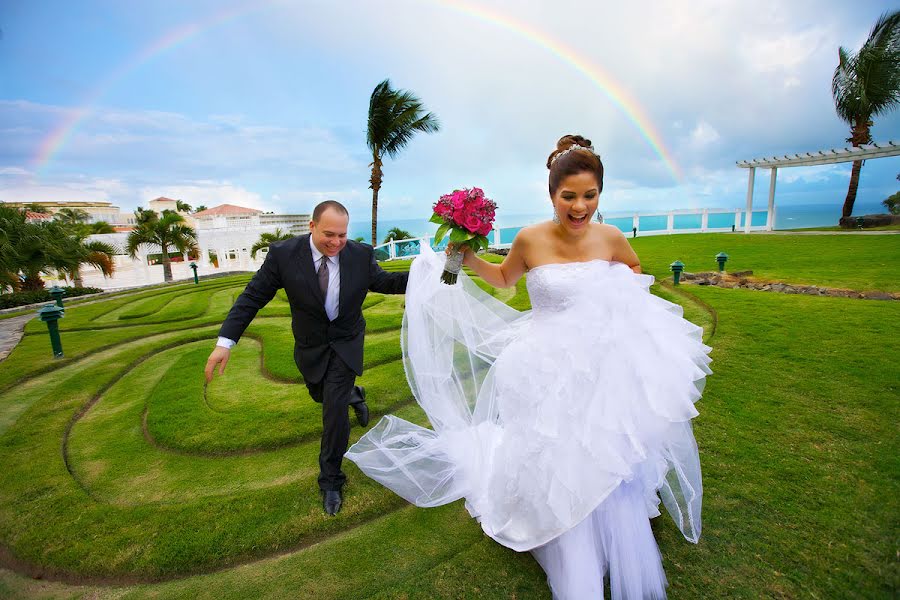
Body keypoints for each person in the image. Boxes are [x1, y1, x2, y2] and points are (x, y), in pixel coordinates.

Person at [345, 135, 712, 598]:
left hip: (601, 364)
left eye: (590, 195)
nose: (580, 207)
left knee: (603, 445)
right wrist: (466, 255)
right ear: (552, 194)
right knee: (556, 448)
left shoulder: (612, 237)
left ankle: (610, 526)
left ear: (600, 192)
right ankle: (561, 529)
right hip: (544, 365)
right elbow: (505, 280)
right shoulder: (530, 239)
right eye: (569, 197)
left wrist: (615, 313)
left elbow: (633, 274)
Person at [205, 200, 408, 516]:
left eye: (342, 235)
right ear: (312, 226)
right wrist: (225, 342)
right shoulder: (284, 255)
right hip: (311, 346)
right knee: (321, 396)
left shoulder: (360, 255)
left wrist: (437, 270)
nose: (337, 242)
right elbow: (252, 298)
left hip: (346, 342)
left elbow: (388, 282)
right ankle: (356, 395)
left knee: (334, 413)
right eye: (329, 234)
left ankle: (331, 481)